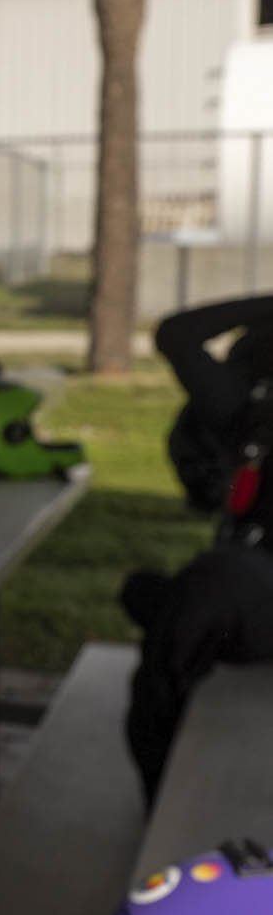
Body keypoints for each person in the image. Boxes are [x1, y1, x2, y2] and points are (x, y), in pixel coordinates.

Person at [120, 293, 273, 801]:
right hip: (254, 586)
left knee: (208, 587)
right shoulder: (248, 403)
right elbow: (178, 334)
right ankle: (167, 798)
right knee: (209, 587)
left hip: (241, 588)